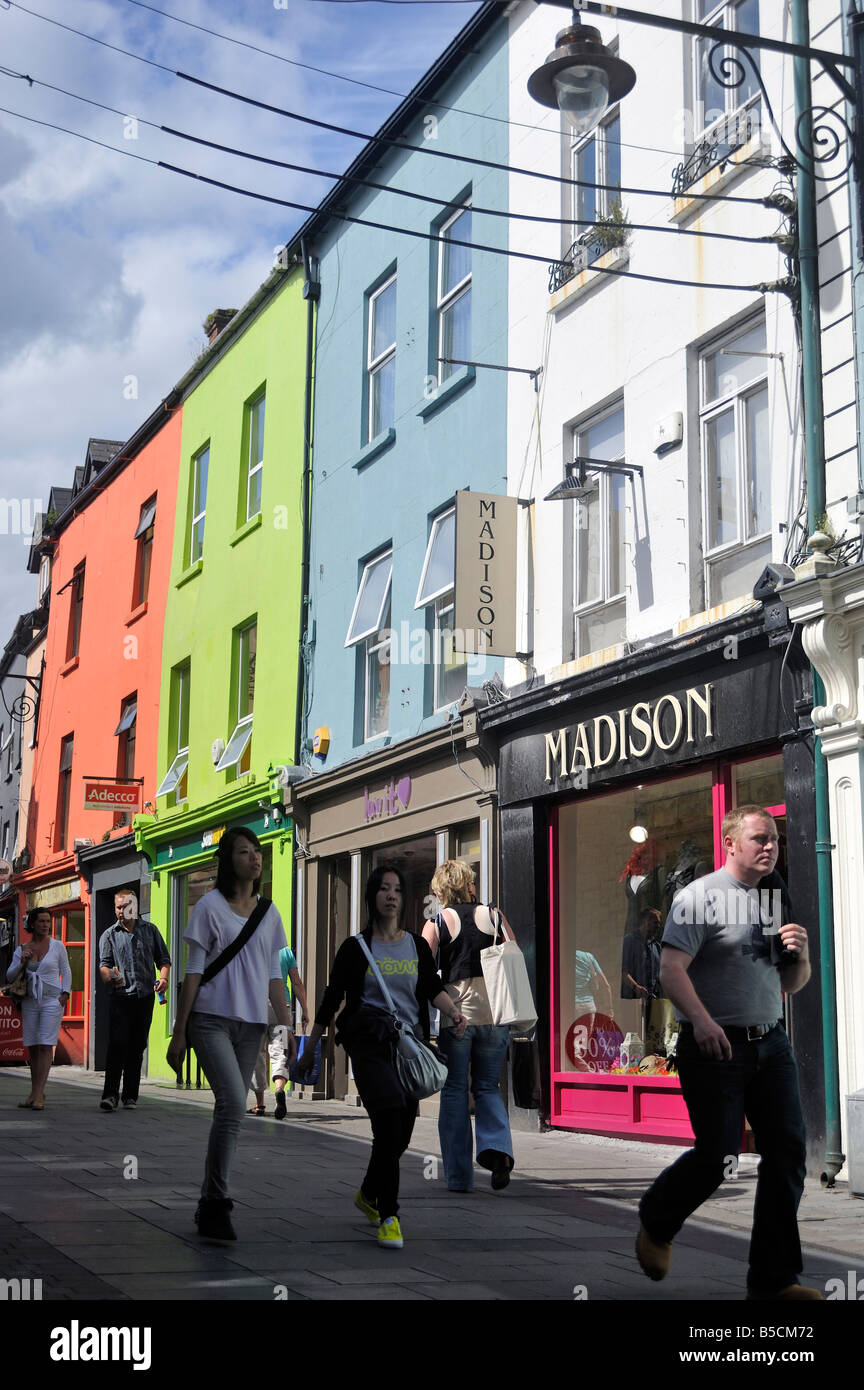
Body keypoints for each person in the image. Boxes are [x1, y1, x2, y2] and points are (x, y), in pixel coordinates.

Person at [636, 805, 820, 1301]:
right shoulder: (699, 898)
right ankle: (657, 1218)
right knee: (720, 1155)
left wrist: (800, 956)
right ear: (730, 843)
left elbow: (790, 983)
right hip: (714, 1045)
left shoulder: (775, 896)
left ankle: (774, 1282)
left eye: (775, 839)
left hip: (771, 1042)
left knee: (787, 1154)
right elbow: (670, 970)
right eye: (760, 838)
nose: (770, 847)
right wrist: (701, 1020)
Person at [298, 864, 466, 1250]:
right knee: (389, 1115)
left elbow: (430, 987)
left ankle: (369, 1192)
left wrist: (454, 1011)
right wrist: (313, 1047)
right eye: (384, 889)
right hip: (369, 1044)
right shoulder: (356, 948)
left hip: (408, 1047)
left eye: (397, 890)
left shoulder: (416, 945)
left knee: (402, 1128)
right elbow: (331, 998)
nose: (391, 895)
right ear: (373, 896)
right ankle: (389, 1214)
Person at [166, 828, 297, 1241]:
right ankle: (217, 1204)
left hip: (252, 1025)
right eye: (245, 852)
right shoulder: (208, 907)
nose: (255, 858)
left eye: (258, 851)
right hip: (210, 1020)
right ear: (229, 860)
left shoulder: (270, 913)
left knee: (233, 1112)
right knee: (231, 1104)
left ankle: (209, 1202)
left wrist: (286, 1023)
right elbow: (193, 974)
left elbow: (275, 974)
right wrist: (180, 1030)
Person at [421, 860, 514, 1193]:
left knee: (456, 1089)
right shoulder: (494, 915)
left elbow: (423, 971)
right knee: (489, 1087)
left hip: (456, 1015)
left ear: (441, 888)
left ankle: (459, 1176)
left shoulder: (438, 922)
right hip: (495, 1013)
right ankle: (500, 1152)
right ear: (468, 884)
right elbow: (512, 957)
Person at [98, 889, 171, 1111]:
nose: (120, 911)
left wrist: (164, 979)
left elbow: (164, 960)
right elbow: (104, 965)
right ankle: (110, 1095)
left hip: (145, 997)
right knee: (117, 1045)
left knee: (137, 1046)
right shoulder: (109, 934)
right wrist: (110, 977)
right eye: (117, 907)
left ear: (134, 907)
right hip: (120, 998)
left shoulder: (150, 931)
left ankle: (130, 1096)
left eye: (124, 907)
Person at [6, 908, 71, 1110]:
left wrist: (65, 993)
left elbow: (66, 970)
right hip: (30, 1001)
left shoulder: (57, 946)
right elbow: (9, 976)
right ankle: (35, 1092)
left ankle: (38, 1095)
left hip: (52, 1000)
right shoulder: (22, 948)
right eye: (41, 921)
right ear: (32, 924)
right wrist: (23, 962)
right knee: (33, 1047)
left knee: (45, 1045)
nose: (45, 925)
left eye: (47, 921)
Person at [248, 944, 310, 1118]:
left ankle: (260, 1104)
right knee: (281, 1051)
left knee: (257, 1054)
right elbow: (297, 982)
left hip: (257, 1009)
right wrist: (305, 1009)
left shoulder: (253, 947)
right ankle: (279, 1089)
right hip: (282, 1008)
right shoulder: (285, 951)